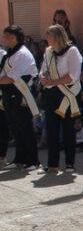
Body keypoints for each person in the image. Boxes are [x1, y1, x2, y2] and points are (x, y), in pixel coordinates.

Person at [40, 24, 83, 173]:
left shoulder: (72, 51)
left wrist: (52, 82)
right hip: (51, 94)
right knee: (51, 129)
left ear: (57, 37)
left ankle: (70, 163)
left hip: (66, 94)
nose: (47, 39)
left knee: (68, 129)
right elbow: (43, 70)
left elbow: (73, 76)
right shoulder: (48, 52)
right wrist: (42, 77)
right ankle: (52, 164)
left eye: (49, 36)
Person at [0, 25, 39, 171]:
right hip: (9, 95)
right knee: (16, 129)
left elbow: (11, 77)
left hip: (21, 95)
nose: (4, 39)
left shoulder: (22, 53)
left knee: (25, 128)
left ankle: (33, 160)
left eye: (6, 36)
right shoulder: (11, 53)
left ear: (14, 38)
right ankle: (19, 159)